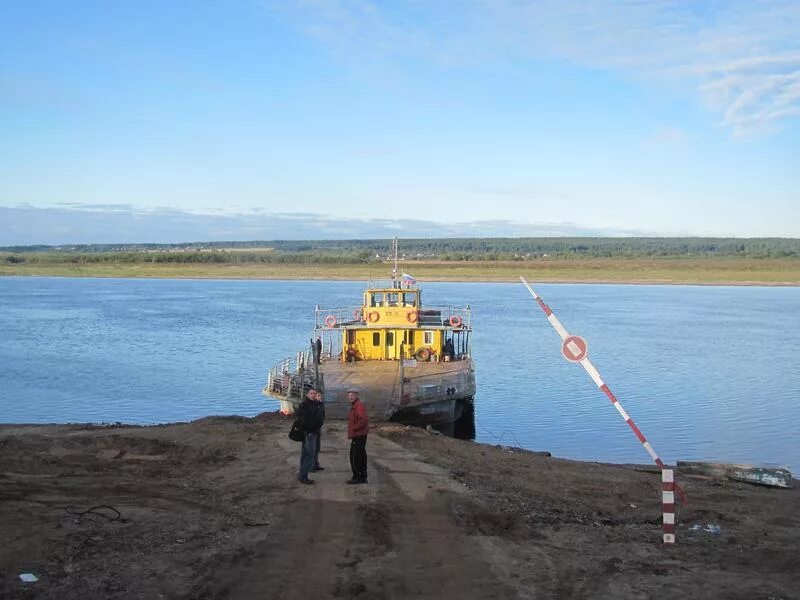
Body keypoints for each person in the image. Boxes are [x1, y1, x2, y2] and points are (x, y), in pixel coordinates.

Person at [296, 387, 324, 485]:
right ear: (307, 394)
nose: (313, 395)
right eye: (311, 393)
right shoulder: (304, 405)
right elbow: (303, 420)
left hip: (312, 432)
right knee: (308, 455)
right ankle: (303, 476)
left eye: (314, 393)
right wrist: (310, 429)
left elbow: (319, 416)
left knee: (307, 454)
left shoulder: (315, 404)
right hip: (309, 433)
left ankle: (302, 475)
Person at [346, 390, 369, 484]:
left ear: (356, 396)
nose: (351, 397)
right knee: (361, 455)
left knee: (355, 457)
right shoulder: (355, 406)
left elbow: (363, 420)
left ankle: (358, 477)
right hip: (360, 434)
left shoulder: (358, 406)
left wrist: (354, 429)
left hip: (359, 435)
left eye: (352, 395)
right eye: (349, 395)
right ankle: (362, 476)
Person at [312, 390, 325, 472]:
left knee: (317, 448)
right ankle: (312, 466)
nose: (320, 397)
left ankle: (316, 464)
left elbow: (322, 415)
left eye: (320, 396)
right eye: (318, 396)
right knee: (313, 448)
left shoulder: (320, 405)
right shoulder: (313, 405)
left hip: (318, 428)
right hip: (313, 429)